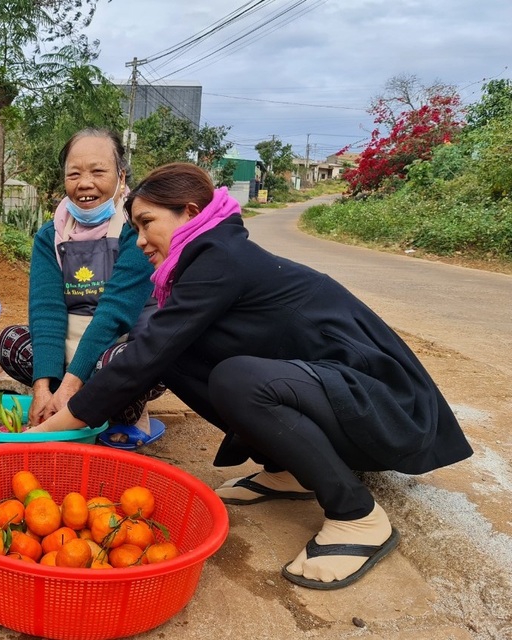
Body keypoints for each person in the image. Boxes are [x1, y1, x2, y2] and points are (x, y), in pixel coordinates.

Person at [32, 163, 473, 589]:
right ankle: (291, 470)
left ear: (189, 211)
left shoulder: (219, 256)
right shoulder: (201, 261)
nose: (141, 240)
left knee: (234, 377)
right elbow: (157, 348)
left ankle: (357, 516)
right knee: (178, 356)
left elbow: (144, 355)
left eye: (147, 223)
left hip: (387, 405)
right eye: (136, 229)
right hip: (339, 393)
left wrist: (56, 427)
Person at [0, 128, 164, 448]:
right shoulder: (50, 235)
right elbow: (46, 311)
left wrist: (71, 385)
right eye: (74, 173)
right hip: (70, 347)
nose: (85, 183)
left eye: (98, 171)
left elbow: (114, 312)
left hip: (119, 342)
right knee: (10, 342)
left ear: (121, 177)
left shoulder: (136, 230)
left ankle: (127, 410)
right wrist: (42, 388)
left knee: (136, 360)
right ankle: (65, 401)